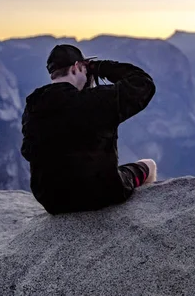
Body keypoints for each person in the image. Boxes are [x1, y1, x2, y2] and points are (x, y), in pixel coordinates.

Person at [21, 44, 158, 215]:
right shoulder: (97, 101)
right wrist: (100, 67)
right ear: (76, 67)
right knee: (149, 165)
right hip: (102, 193)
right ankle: (148, 217)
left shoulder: (33, 106)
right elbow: (144, 84)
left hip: (53, 200)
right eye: (84, 70)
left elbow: (28, 151)